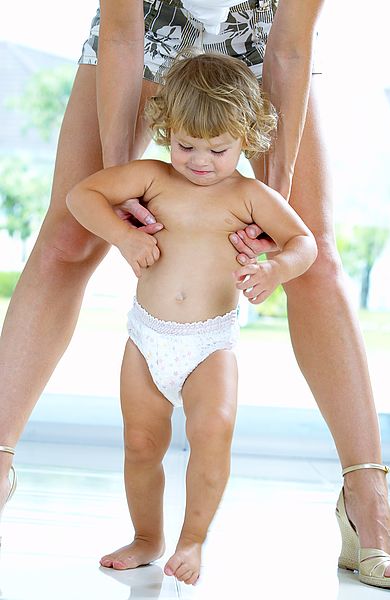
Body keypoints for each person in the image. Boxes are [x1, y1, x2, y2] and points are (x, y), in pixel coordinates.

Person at [0, 0, 390, 589]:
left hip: (264, 35)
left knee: (313, 254)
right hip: (151, 23)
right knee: (67, 237)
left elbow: (289, 44)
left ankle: (366, 501)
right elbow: (121, 30)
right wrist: (122, 191)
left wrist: (275, 202)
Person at [66, 52, 317, 584]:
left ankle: (193, 540)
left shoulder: (250, 195)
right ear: (166, 131)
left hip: (210, 343)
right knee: (140, 441)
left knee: (213, 430)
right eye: (186, 145)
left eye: (218, 149)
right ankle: (146, 536)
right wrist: (126, 235)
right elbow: (80, 195)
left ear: (246, 137)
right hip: (147, 337)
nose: (200, 160)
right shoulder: (153, 179)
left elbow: (304, 243)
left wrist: (276, 272)